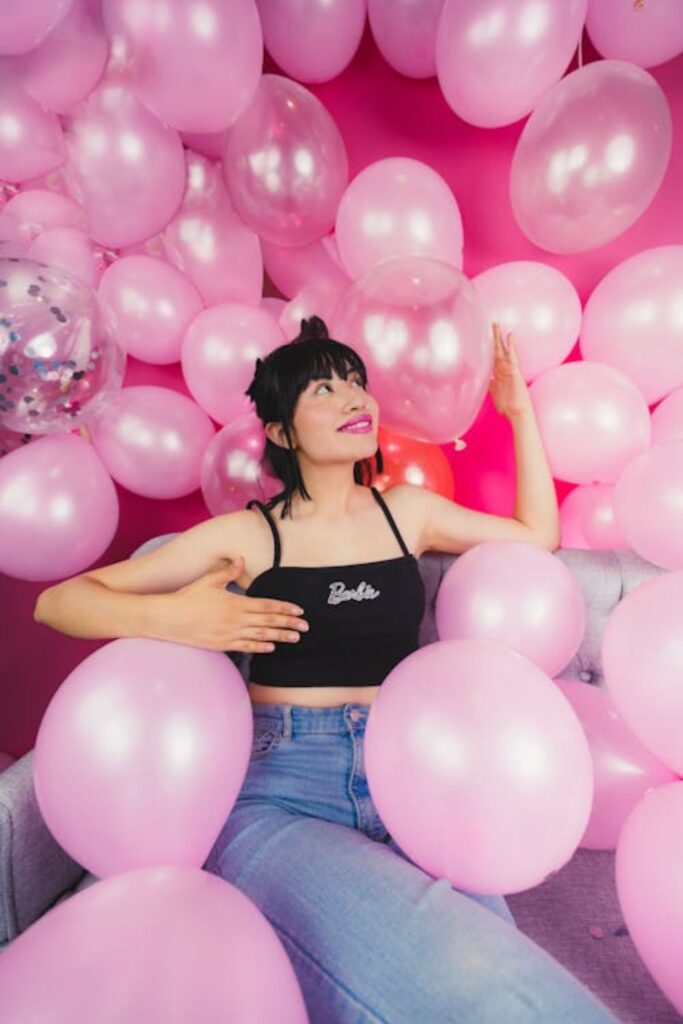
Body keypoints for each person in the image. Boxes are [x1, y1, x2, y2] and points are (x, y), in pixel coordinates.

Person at [35, 317, 620, 1024]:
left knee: (497, 963)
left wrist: (517, 411)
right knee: (474, 987)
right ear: (282, 433)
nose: (354, 401)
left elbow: (538, 537)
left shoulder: (406, 512)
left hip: (420, 775)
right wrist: (175, 618)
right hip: (284, 786)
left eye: (355, 384)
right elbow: (58, 603)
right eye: (324, 388)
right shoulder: (249, 535)